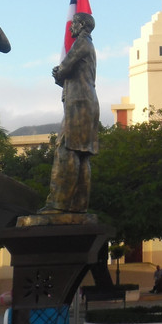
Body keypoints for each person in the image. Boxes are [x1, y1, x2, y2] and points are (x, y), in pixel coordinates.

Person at [44, 13, 99, 213]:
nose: (70, 28)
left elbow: (64, 69)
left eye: (74, 23)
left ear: (82, 25)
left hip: (78, 102)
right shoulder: (89, 45)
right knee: (82, 153)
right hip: (88, 102)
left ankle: (58, 204)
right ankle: (78, 205)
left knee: (65, 149)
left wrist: (57, 72)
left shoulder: (82, 43)